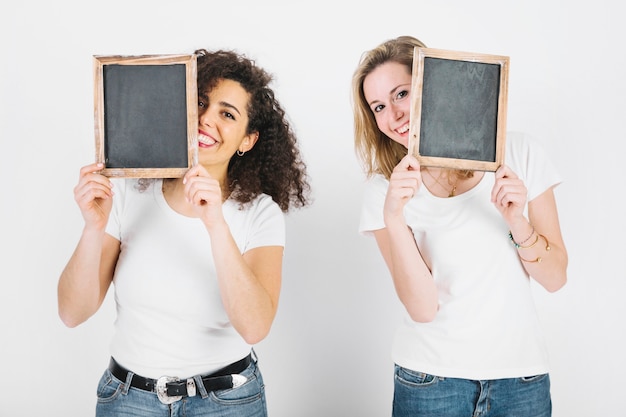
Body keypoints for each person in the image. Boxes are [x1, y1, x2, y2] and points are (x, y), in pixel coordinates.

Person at [58, 48, 311, 416]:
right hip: (129, 399)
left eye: (227, 114)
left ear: (247, 140)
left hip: (226, 402)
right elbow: (71, 312)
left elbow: (255, 327)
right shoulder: (129, 192)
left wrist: (215, 224)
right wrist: (93, 228)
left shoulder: (260, 214)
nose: (207, 120)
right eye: (200, 104)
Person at [351, 35, 568, 416]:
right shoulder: (383, 190)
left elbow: (555, 278)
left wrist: (517, 220)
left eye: (401, 93)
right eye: (379, 106)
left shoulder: (518, 153)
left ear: (434, 83)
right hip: (431, 382)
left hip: (521, 380)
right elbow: (422, 308)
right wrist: (393, 217)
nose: (393, 115)